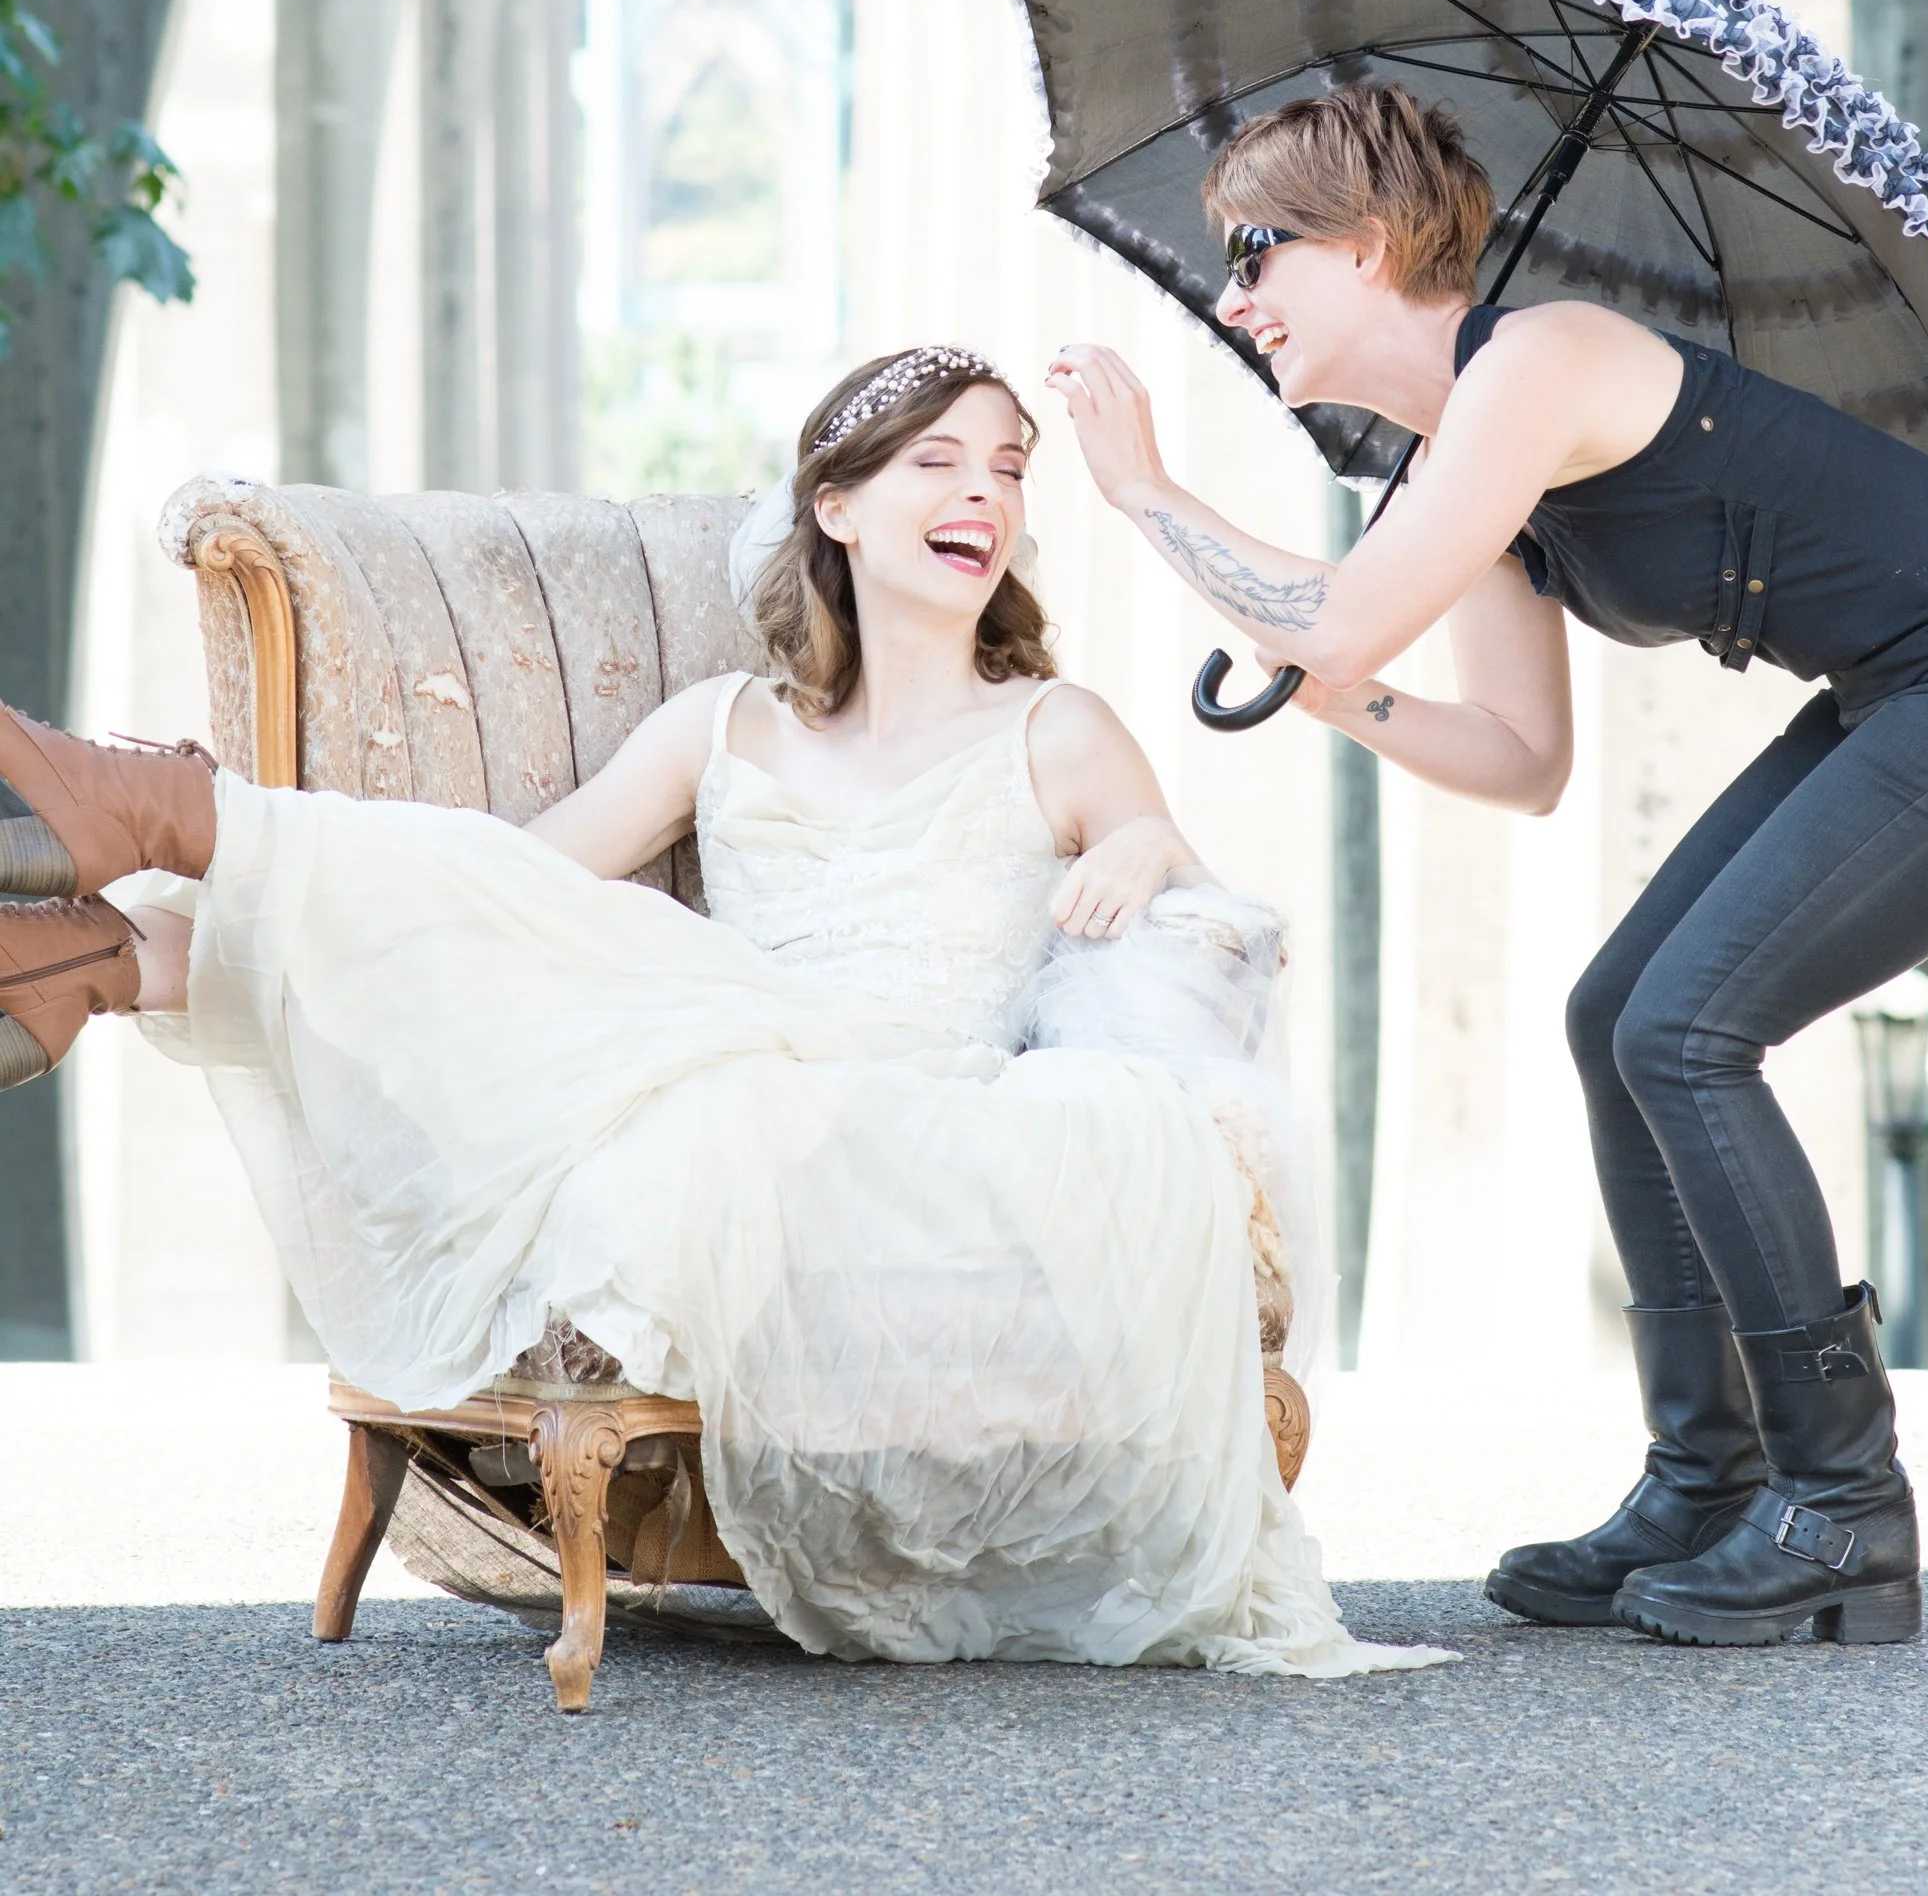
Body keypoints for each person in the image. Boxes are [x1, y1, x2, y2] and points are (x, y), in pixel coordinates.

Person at [0, 345, 1443, 1680]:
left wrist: (1148, 848)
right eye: (939, 460)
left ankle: (149, 853)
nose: (985, 494)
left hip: (922, 1114)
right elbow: (518, 887)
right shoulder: (723, 723)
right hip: (732, 1040)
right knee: (499, 924)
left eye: (1009, 468)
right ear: (840, 505)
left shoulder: (1055, 727)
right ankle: (109, 957)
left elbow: (1208, 928)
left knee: (676, 1074)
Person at [1052, 79, 1928, 1653]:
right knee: (1614, 1011)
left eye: (1254, 254)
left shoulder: (1544, 362)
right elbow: (1519, 759)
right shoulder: (1451, 469)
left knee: (1685, 1032)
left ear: (1364, 249)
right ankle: (1708, 1476)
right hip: (1906, 691)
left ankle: (1843, 1504)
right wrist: (1342, 685)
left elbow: (1340, 613)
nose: (1234, 300)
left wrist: (1150, 494)